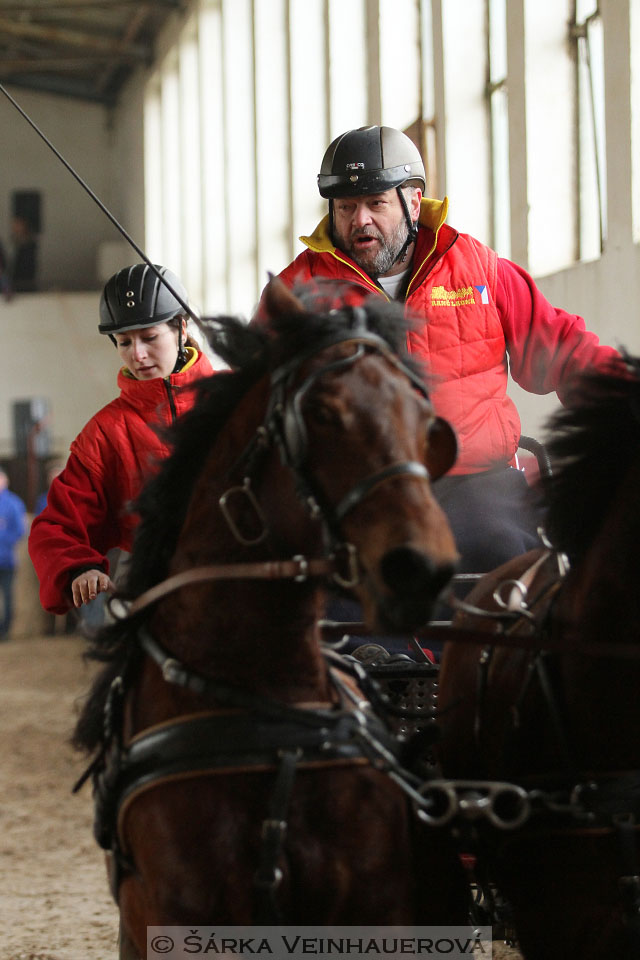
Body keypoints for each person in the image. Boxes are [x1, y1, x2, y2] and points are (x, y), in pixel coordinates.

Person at [258, 124, 619, 587]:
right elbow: (255, 397)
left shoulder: (480, 270)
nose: (359, 220)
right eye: (346, 207)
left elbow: (564, 352)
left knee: (503, 554)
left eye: (376, 203)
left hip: (475, 479)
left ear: (412, 201)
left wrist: (624, 398)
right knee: (345, 586)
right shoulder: (295, 295)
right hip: (354, 493)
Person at [28, 263, 214, 616]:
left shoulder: (238, 400)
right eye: (124, 342)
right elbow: (55, 526)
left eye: (149, 337)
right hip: (160, 600)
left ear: (181, 328)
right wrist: (80, 567)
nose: (137, 354)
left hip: (254, 588)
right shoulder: (103, 433)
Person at [0, 468, 26, 640]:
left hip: (6, 559)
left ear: (5, 481)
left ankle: (5, 631)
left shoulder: (14, 503)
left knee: (8, 596)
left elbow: (20, 530)